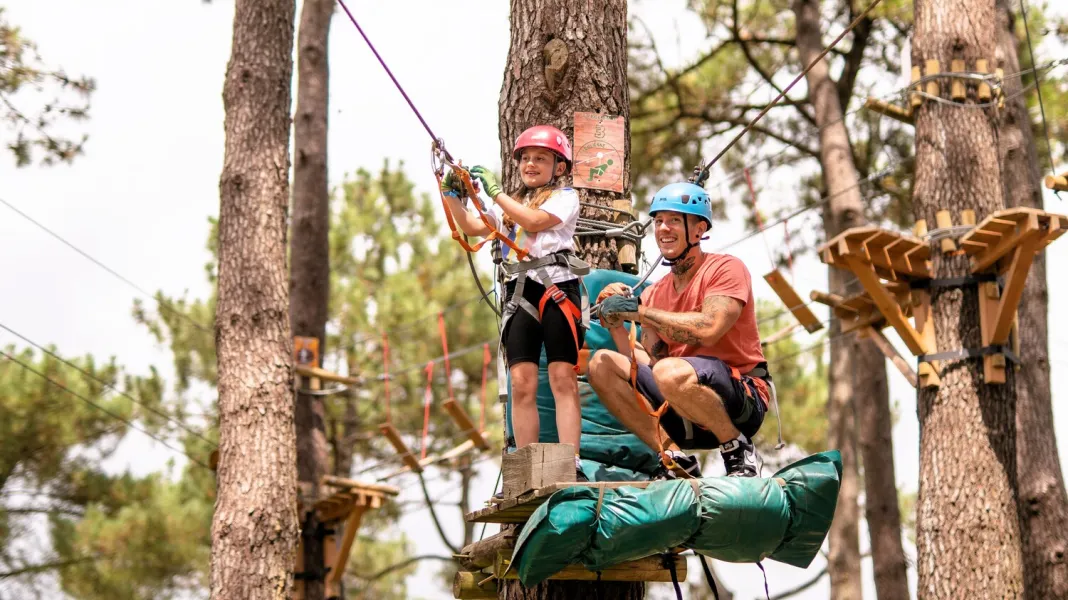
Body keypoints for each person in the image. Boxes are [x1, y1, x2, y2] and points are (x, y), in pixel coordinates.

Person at [587, 181, 771, 479]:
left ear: (698, 230)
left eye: (674, 220)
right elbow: (651, 363)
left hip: (741, 403)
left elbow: (710, 329)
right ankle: (674, 458)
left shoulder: (725, 269)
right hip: (683, 405)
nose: (663, 228)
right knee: (601, 364)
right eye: (658, 221)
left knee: (669, 372)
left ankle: (738, 448)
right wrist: (617, 325)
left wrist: (638, 311)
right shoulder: (654, 293)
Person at [440, 124, 589, 481]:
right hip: (521, 291)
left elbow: (533, 222)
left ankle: (571, 459)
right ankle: (526, 467)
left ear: (559, 167)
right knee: (521, 382)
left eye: (541, 159)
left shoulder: (565, 197)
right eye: (526, 158)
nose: (531, 164)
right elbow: (472, 226)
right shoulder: (509, 206)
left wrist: (494, 192)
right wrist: (452, 195)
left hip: (557, 288)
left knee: (562, 377)